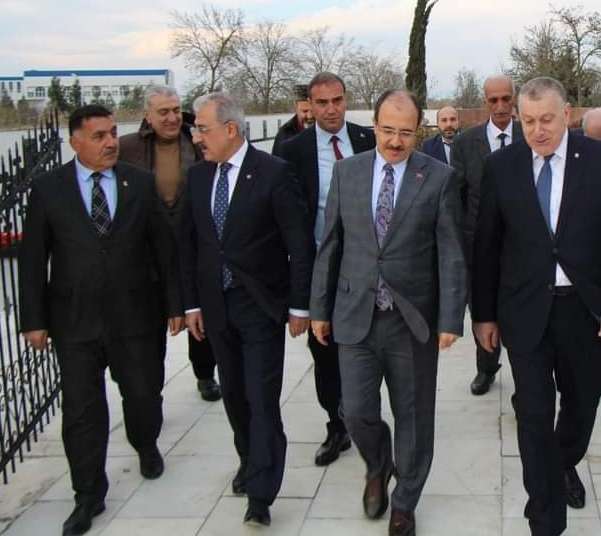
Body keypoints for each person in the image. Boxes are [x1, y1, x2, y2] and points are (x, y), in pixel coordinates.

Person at [472, 77, 601, 536]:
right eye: (528, 121)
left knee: (583, 405)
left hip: (586, 312)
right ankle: (544, 519)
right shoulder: (501, 166)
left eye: (547, 119)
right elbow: (486, 244)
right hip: (525, 312)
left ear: (568, 114)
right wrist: (483, 314)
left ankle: (562, 462)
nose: (538, 130)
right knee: (534, 412)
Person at [19, 104, 183, 536]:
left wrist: (174, 306)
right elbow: (33, 259)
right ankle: (88, 495)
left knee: (144, 395)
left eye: (113, 133)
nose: (111, 142)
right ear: (75, 142)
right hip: (74, 321)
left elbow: (163, 250)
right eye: (99, 136)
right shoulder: (47, 189)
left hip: (136, 316)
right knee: (81, 412)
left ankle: (145, 443)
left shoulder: (140, 184)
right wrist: (33, 319)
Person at [310, 89, 467, 536]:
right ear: (373, 124)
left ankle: (404, 501)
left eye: (405, 132)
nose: (396, 142)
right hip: (354, 313)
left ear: (419, 130)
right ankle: (377, 466)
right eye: (387, 130)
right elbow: (332, 244)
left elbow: (451, 252)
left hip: (411, 319)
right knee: (356, 411)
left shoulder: (437, 177)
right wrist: (320, 307)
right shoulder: (348, 172)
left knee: (414, 415)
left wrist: (450, 320)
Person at [180, 92, 313, 528]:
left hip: (260, 305)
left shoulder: (273, 173)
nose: (196, 136)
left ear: (230, 129)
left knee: (261, 398)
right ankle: (249, 459)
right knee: (235, 396)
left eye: (202, 127)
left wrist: (299, 305)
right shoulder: (198, 177)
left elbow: (298, 242)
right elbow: (190, 245)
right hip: (216, 307)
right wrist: (192, 303)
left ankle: (261, 491)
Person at [280, 72, 376, 466]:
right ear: (310, 106)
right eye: (322, 103)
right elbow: (290, 220)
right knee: (325, 351)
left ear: (345, 99)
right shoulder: (293, 150)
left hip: (368, 266)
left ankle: (364, 417)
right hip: (323, 267)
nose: (331, 109)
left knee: (368, 347)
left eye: (337, 100)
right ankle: (336, 426)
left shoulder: (368, 139)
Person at [117, 84, 221, 402]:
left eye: (176, 110)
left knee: (199, 312)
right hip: (148, 249)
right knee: (152, 322)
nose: (172, 117)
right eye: (164, 112)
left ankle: (205, 373)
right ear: (147, 115)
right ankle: (151, 388)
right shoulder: (128, 147)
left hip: (193, 242)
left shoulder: (197, 140)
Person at [450, 75, 524, 395]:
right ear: (485, 102)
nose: (500, 106)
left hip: (523, 243)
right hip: (480, 244)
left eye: (506, 98)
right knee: (483, 306)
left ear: (515, 99)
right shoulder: (466, 143)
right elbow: (457, 196)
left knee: (522, 309)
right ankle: (486, 367)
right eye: (493, 100)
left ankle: (526, 371)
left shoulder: (529, 135)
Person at [271, 84, 316, 156]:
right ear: (296, 106)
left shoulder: (328, 129)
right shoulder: (285, 134)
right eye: (305, 111)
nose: (310, 116)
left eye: (313, 111)